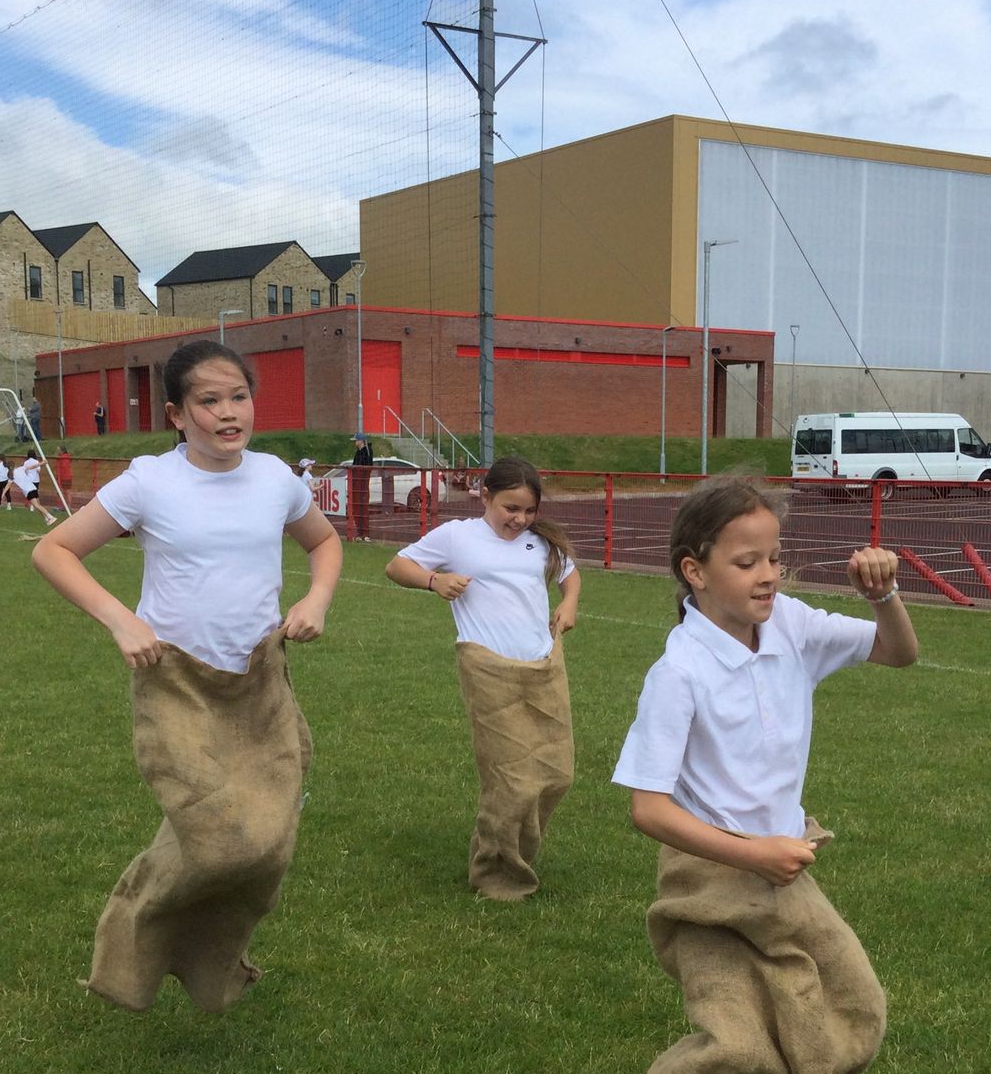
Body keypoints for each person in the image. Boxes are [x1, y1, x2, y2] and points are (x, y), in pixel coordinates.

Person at [604, 477, 919, 1074]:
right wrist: (751, 856)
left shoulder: (795, 629)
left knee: (855, 1020)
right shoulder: (677, 673)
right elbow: (649, 808)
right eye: (747, 561)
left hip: (782, 873)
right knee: (739, 1044)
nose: (769, 574)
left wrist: (885, 599)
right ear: (694, 570)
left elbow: (898, 652)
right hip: (707, 882)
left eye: (776, 557)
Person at [32, 339, 340, 1016]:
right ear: (176, 413)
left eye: (239, 397)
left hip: (260, 681)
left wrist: (315, 599)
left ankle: (209, 962)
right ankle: (131, 937)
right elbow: (53, 550)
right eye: (210, 401)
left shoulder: (275, 479)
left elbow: (323, 540)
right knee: (217, 836)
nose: (230, 414)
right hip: (176, 684)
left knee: (265, 849)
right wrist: (120, 619)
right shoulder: (149, 482)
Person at [385, 456, 580, 900]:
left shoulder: (538, 543)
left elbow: (570, 577)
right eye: (511, 508)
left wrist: (569, 603)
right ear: (486, 496)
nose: (520, 519)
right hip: (488, 669)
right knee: (511, 780)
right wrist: (434, 581)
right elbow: (397, 566)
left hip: (543, 668)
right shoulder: (457, 536)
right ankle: (497, 874)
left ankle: (515, 851)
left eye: (529, 511)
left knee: (557, 774)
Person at [9, 448, 58, 526]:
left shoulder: (25, 463)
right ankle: (46, 516)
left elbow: (25, 471)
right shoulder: (35, 461)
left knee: (36, 503)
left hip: (28, 482)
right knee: (37, 502)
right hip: (35, 481)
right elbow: (38, 470)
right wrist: (42, 463)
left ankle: (47, 516)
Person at [348, 434, 373, 540]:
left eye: (356, 440)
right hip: (357, 482)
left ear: (361, 441)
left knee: (363, 507)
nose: (355, 442)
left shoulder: (367, 451)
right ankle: (360, 532)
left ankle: (365, 534)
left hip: (362, 483)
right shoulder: (358, 452)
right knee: (357, 507)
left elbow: (366, 467)